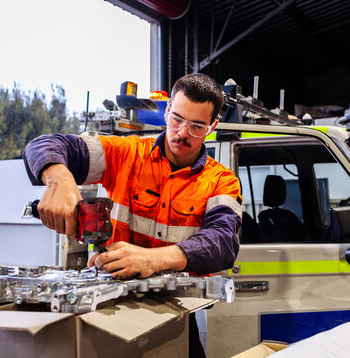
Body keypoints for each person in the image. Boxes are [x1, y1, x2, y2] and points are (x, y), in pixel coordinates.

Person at [23, 73, 243, 357]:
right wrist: (59, 179)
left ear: (213, 125)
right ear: (167, 111)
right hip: (112, 309)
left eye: (197, 126)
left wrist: (152, 259)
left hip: (176, 314)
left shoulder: (221, 181)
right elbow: (43, 145)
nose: (182, 133)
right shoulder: (126, 154)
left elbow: (222, 244)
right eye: (176, 119)